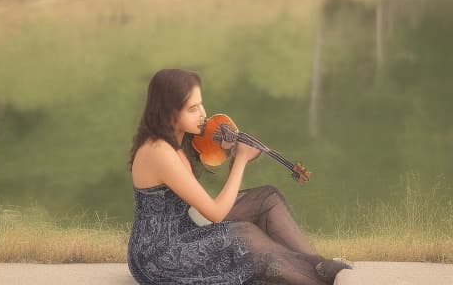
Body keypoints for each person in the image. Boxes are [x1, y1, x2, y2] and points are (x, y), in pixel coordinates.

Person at [127, 68, 352, 284]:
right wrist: (241, 160)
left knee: (267, 198)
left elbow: (200, 194)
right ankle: (317, 277)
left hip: (185, 232)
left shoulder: (178, 142)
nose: (204, 114)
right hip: (158, 257)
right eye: (193, 109)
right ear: (169, 111)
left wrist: (227, 148)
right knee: (244, 235)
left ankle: (318, 266)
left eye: (201, 104)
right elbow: (214, 213)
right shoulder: (158, 152)